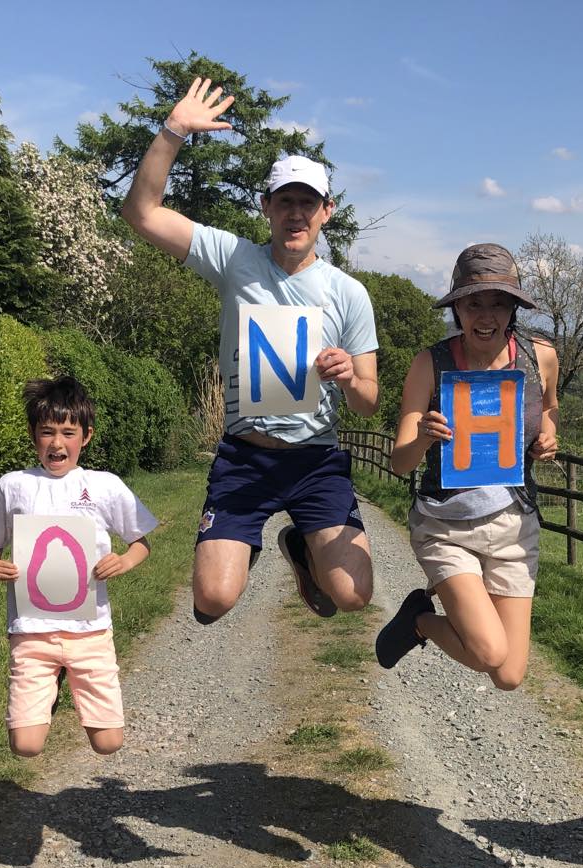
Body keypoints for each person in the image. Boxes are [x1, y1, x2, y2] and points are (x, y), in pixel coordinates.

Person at [122, 77, 379, 625]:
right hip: (246, 454)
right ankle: (253, 545)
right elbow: (141, 213)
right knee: (211, 601)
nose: (296, 214)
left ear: (326, 212)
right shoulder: (234, 258)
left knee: (354, 595)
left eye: (307, 203)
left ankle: (304, 551)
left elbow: (369, 403)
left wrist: (350, 378)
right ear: (266, 206)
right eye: (285, 201)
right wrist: (173, 131)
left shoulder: (348, 293)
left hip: (316, 458)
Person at [374, 244, 559, 691]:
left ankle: (421, 620)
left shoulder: (540, 357)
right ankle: (421, 622)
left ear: (513, 307)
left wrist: (549, 438)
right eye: (473, 302)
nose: (486, 314)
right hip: (446, 525)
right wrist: (422, 436)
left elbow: (550, 409)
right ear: (457, 308)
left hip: (515, 524)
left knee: (509, 675)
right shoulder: (430, 364)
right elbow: (400, 463)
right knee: (488, 652)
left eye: (498, 301)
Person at [0, 377, 157, 757]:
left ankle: (60, 684)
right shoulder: (13, 485)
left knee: (109, 743)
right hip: (32, 631)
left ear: (86, 436)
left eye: (68, 432)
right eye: (47, 432)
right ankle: (46, 693)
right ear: (33, 435)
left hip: (90, 631)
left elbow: (141, 544)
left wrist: (123, 560)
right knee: (26, 746)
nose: (57, 443)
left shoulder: (104, 485)